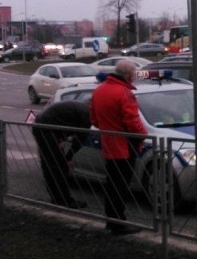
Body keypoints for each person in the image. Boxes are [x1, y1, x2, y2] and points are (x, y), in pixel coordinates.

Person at [90, 59, 147, 235]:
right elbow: (132, 121)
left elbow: (94, 120)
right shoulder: (124, 93)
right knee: (121, 185)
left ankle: (112, 219)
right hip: (125, 145)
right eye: (134, 76)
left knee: (112, 184)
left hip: (109, 144)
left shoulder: (99, 90)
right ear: (129, 76)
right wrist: (144, 135)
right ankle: (118, 222)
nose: (134, 79)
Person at [32, 101, 91, 209]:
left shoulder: (83, 108)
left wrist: (61, 139)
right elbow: (80, 139)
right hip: (46, 129)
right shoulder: (87, 114)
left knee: (51, 165)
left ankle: (57, 199)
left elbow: (65, 122)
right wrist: (68, 158)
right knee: (58, 166)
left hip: (44, 127)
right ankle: (64, 201)